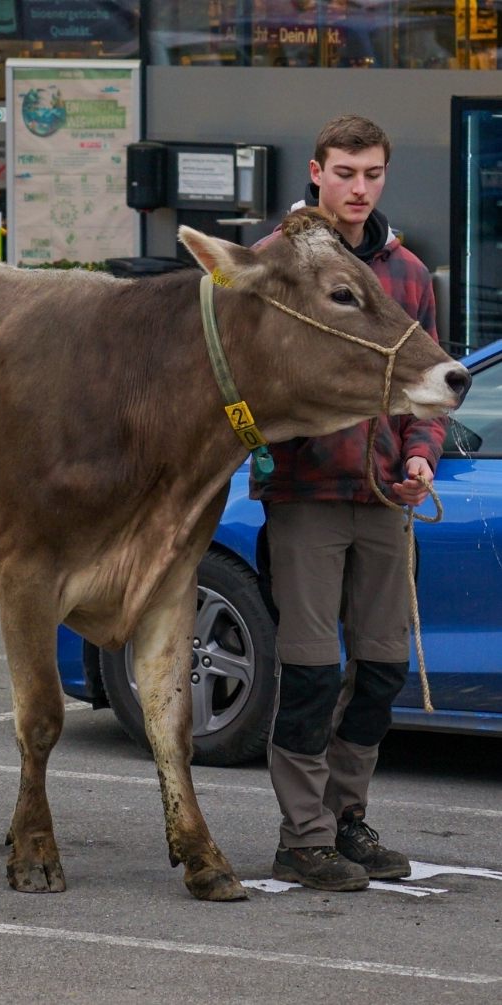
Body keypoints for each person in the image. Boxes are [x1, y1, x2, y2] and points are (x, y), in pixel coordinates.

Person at [251, 114, 446, 892]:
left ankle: (344, 819)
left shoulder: (408, 273)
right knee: (306, 673)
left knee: (382, 670)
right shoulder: (270, 264)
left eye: (371, 174)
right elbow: (232, 395)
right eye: (344, 172)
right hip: (305, 498)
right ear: (316, 171)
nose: (357, 187)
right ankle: (300, 838)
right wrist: (259, 444)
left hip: (386, 500)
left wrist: (421, 462)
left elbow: (425, 391)